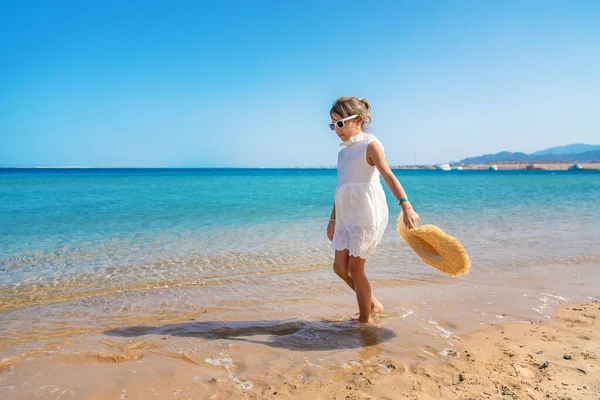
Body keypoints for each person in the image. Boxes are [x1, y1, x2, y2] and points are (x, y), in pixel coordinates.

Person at [326, 96, 419, 323]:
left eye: (340, 123)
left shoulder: (370, 145)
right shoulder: (342, 153)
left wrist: (406, 206)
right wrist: (332, 219)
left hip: (366, 213)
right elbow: (342, 189)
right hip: (346, 215)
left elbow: (388, 175)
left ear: (358, 120)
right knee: (340, 268)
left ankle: (365, 321)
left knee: (356, 269)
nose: (336, 129)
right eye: (332, 125)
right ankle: (374, 304)